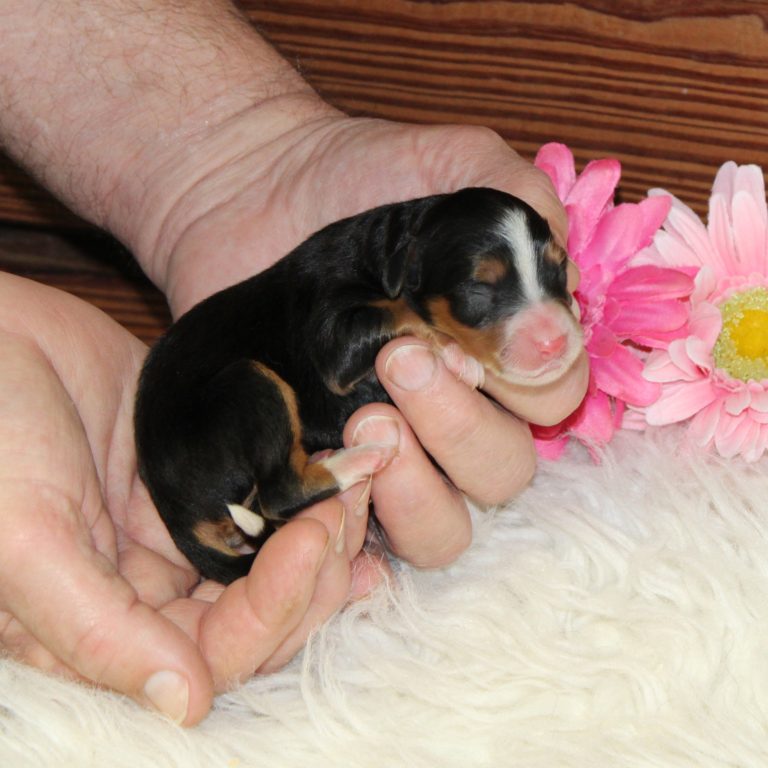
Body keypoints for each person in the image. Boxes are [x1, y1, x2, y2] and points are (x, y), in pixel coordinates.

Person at [0, 1, 588, 725]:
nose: (549, 324)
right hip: (203, 427)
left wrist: (253, 154)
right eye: (485, 292)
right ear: (410, 272)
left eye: (552, 274)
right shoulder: (359, 292)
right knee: (263, 396)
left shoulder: (390, 268)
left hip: (207, 452)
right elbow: (340, 370)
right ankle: (289, 489)